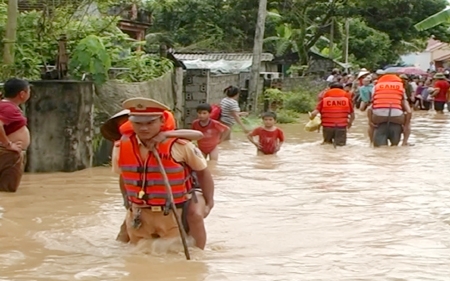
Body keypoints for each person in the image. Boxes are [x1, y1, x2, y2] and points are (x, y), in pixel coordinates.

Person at [111, 98, 214, 250]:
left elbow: (203, 173)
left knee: (195, 217)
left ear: (161, 121)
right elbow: (124, 176)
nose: (144, 128)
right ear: (131, 123)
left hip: (175, 205)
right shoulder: (121, 147)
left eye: (150, 123)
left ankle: (199, 255)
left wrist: (209, 202)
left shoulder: (180, 145)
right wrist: (127, 200)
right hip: (142, 207)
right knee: (129, 250)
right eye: (138, 123)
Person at [0, 78, 31, 192]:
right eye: (28, 91)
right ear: (22, 94)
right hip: (9, 154)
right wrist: (8, 145)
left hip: (8, 153)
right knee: (7, 190)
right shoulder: (8, 108)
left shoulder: (5, 106)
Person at [367, 74, 412, 147]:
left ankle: (371, 143)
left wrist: (370, 121)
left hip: (378, 116)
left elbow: (369, 108)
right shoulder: (400, 88)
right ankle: (404, 143)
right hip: (396, 116)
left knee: (371, 124)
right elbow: (409, 112)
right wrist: (406, 125)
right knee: (408, 122)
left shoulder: (376, 87)